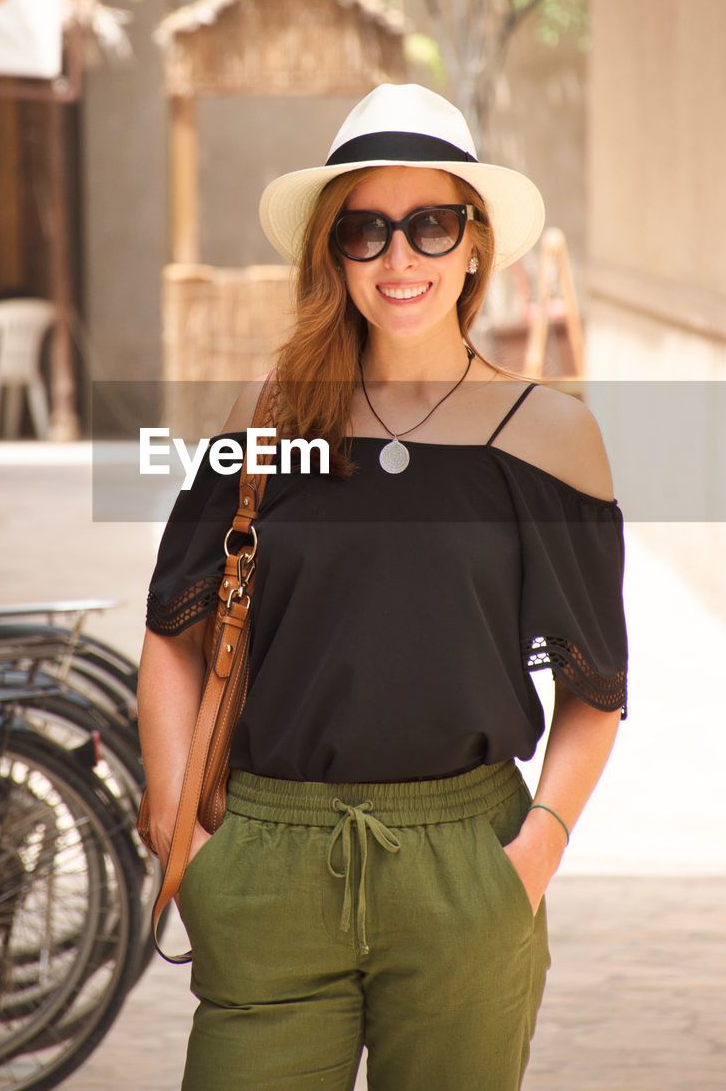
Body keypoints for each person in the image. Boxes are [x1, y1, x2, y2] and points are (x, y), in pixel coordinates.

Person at [137, 84, 629, 1091]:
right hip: (270, 859)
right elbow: (172, 630)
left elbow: (597, 687)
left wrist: (532, 856)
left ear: (475, 244)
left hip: (466, 866)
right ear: (333, 251)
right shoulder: (267, 414)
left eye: (430, 225)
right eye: (366, 230)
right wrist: (179, 834)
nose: (400, 258)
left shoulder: (550, 436)